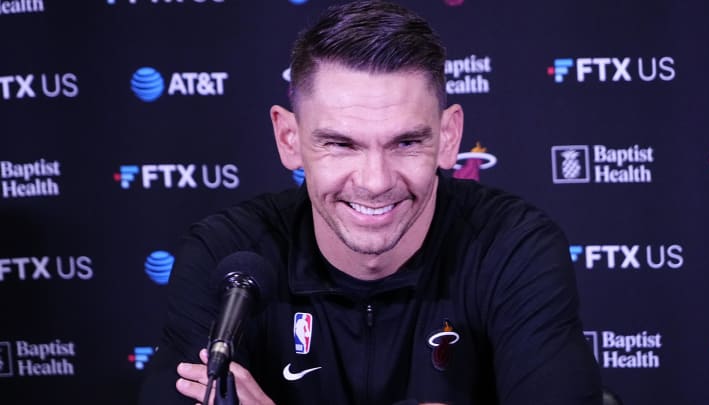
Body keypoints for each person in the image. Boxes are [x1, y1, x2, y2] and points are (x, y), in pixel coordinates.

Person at [139, 1, 602, 404]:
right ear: (288, 138)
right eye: (341, 144)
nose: (375, 181)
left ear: (448, 137)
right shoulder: (227, 257)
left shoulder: (513, 248)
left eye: (405, 143)